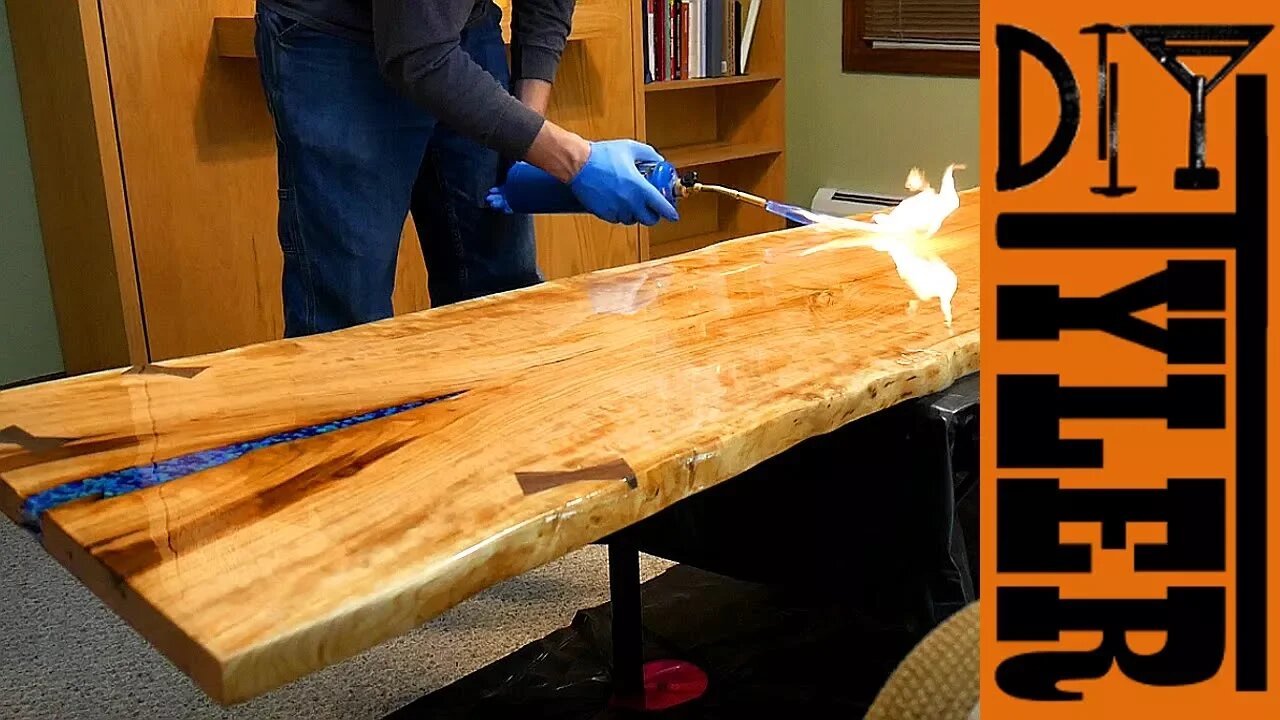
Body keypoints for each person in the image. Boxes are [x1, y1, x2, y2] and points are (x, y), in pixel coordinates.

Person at [254, 0, 680, 337]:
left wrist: (525, 144)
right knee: (348, 319)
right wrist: (575, 159)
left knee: (501, 292)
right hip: (333, 36)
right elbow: (418, 53)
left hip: (461, 27)